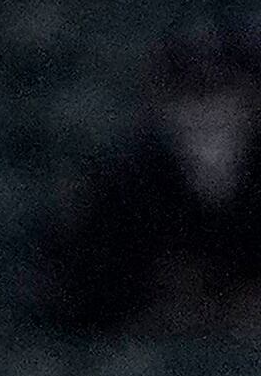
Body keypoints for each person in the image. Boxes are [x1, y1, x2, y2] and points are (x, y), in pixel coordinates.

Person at [43, 29, 261, 336]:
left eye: (223, 96)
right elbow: (82, 293)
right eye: (190, 98)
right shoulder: (125, 187)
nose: (207, 113)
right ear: (164, 108)